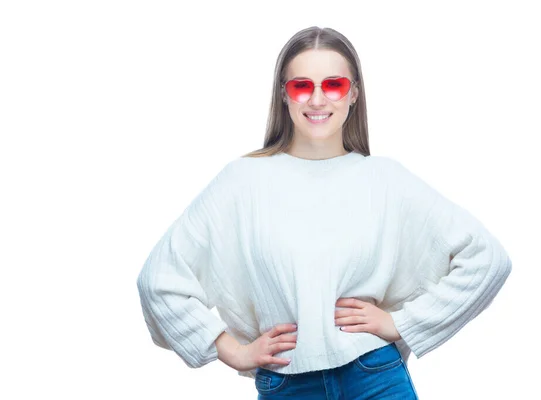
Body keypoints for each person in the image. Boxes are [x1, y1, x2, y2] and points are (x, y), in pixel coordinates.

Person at [136, 26, 512, 399]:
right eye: (302, 86)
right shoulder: (243, 182)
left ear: (354, 94)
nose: (317, 100)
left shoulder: (385, 179)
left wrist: (401, 323)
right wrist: (233, 350)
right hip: (287, 382)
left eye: (334, 85)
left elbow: (487, 259)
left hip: (375, 376)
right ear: (284, 95)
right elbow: (159, 279)